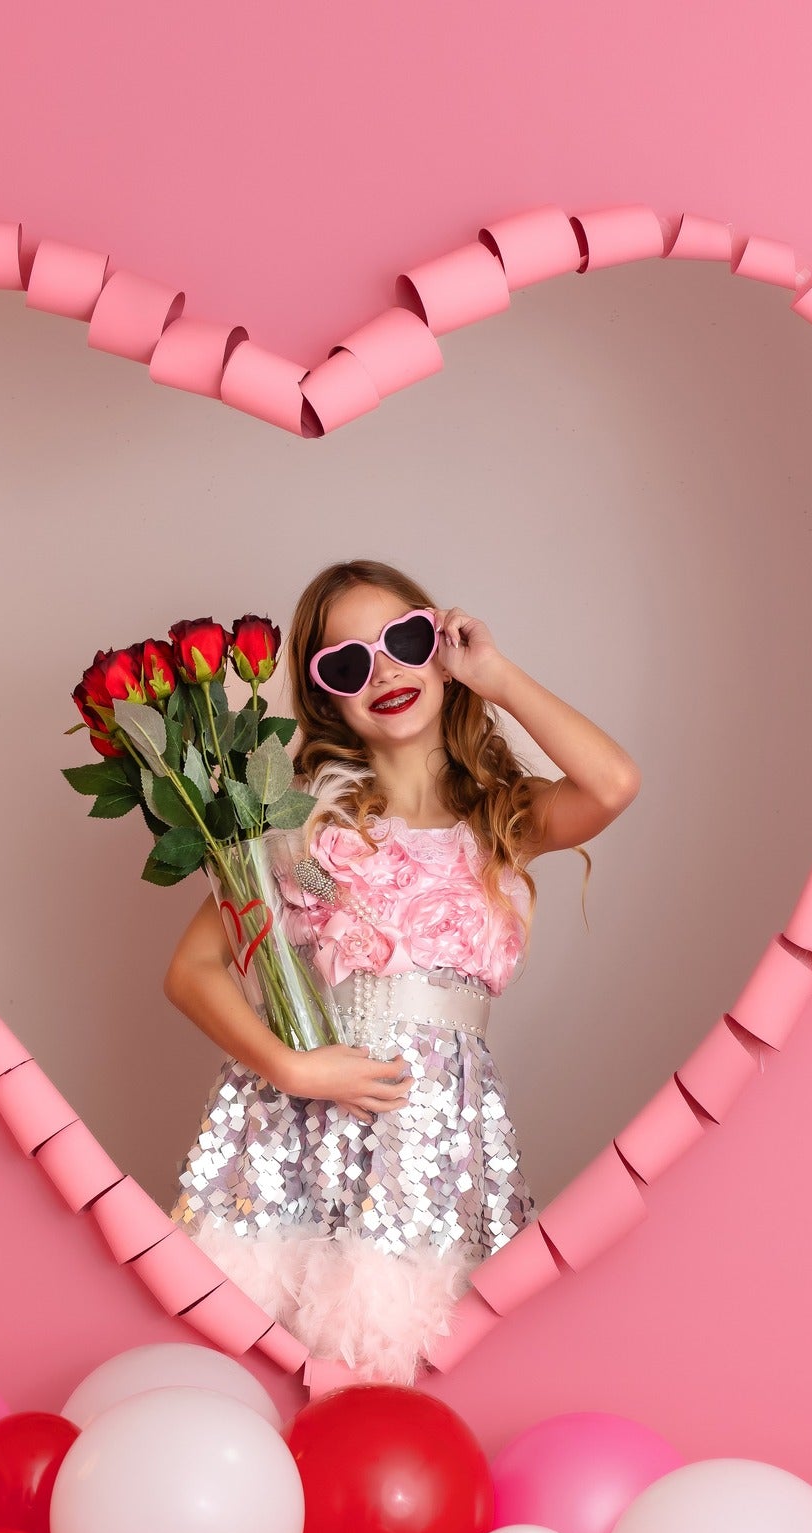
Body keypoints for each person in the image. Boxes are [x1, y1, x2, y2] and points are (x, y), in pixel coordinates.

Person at [162, 558, 640, 1383]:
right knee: (267, 1359)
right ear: (325, 698)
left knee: (408, 1358)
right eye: (347, 664)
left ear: (439, 649)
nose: (381, 671)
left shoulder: (504, 817)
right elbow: (193, 967)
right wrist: (291, 1066)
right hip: (296, 1122)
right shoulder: (295, 823)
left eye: (403, 641)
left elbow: (613, 781)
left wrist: (491, 674)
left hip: (437, 1136)